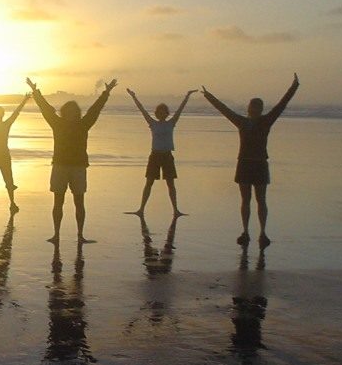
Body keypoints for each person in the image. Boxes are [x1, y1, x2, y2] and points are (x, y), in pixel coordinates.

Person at [202, 73, 299, 247]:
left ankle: (260, 232)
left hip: (256, 163)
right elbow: (224, 110)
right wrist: (208, 96)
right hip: (247, 163)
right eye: (254, 106)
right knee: (248, 200)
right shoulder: (247, 121)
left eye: (257, 106)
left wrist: (294, 87)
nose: (255, 109)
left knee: (258, 200)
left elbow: (281, 104)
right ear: (251, 108)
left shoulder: (262, 121)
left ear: (258, 109)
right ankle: (248, 231)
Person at [26, 76, 117, 243]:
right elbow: (45, 109)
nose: (71, 114)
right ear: (64, 112)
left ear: (77, 113)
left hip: (78, 167)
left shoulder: (83, 124)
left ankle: (80, 235)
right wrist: (35, 91)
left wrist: (106, 92)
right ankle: (56, 235)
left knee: (79, 202)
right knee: (58, 202)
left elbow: (95, 110)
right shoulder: (57, 123)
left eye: (74, 112)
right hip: (60, 166)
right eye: (68, 111)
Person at [126, 88, 197, 218]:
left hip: (167, 156)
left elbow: (180, 109)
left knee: (171, 184)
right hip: (155, 156)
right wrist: (133, 96)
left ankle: (176, 210)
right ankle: (141, 209)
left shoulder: (172, 123)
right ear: (157, 113)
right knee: (149, 182)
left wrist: (187, 96)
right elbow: (142, 110)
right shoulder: (152, 123)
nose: (162, 113)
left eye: (164, 111)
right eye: (159, 111)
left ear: (167, 113)